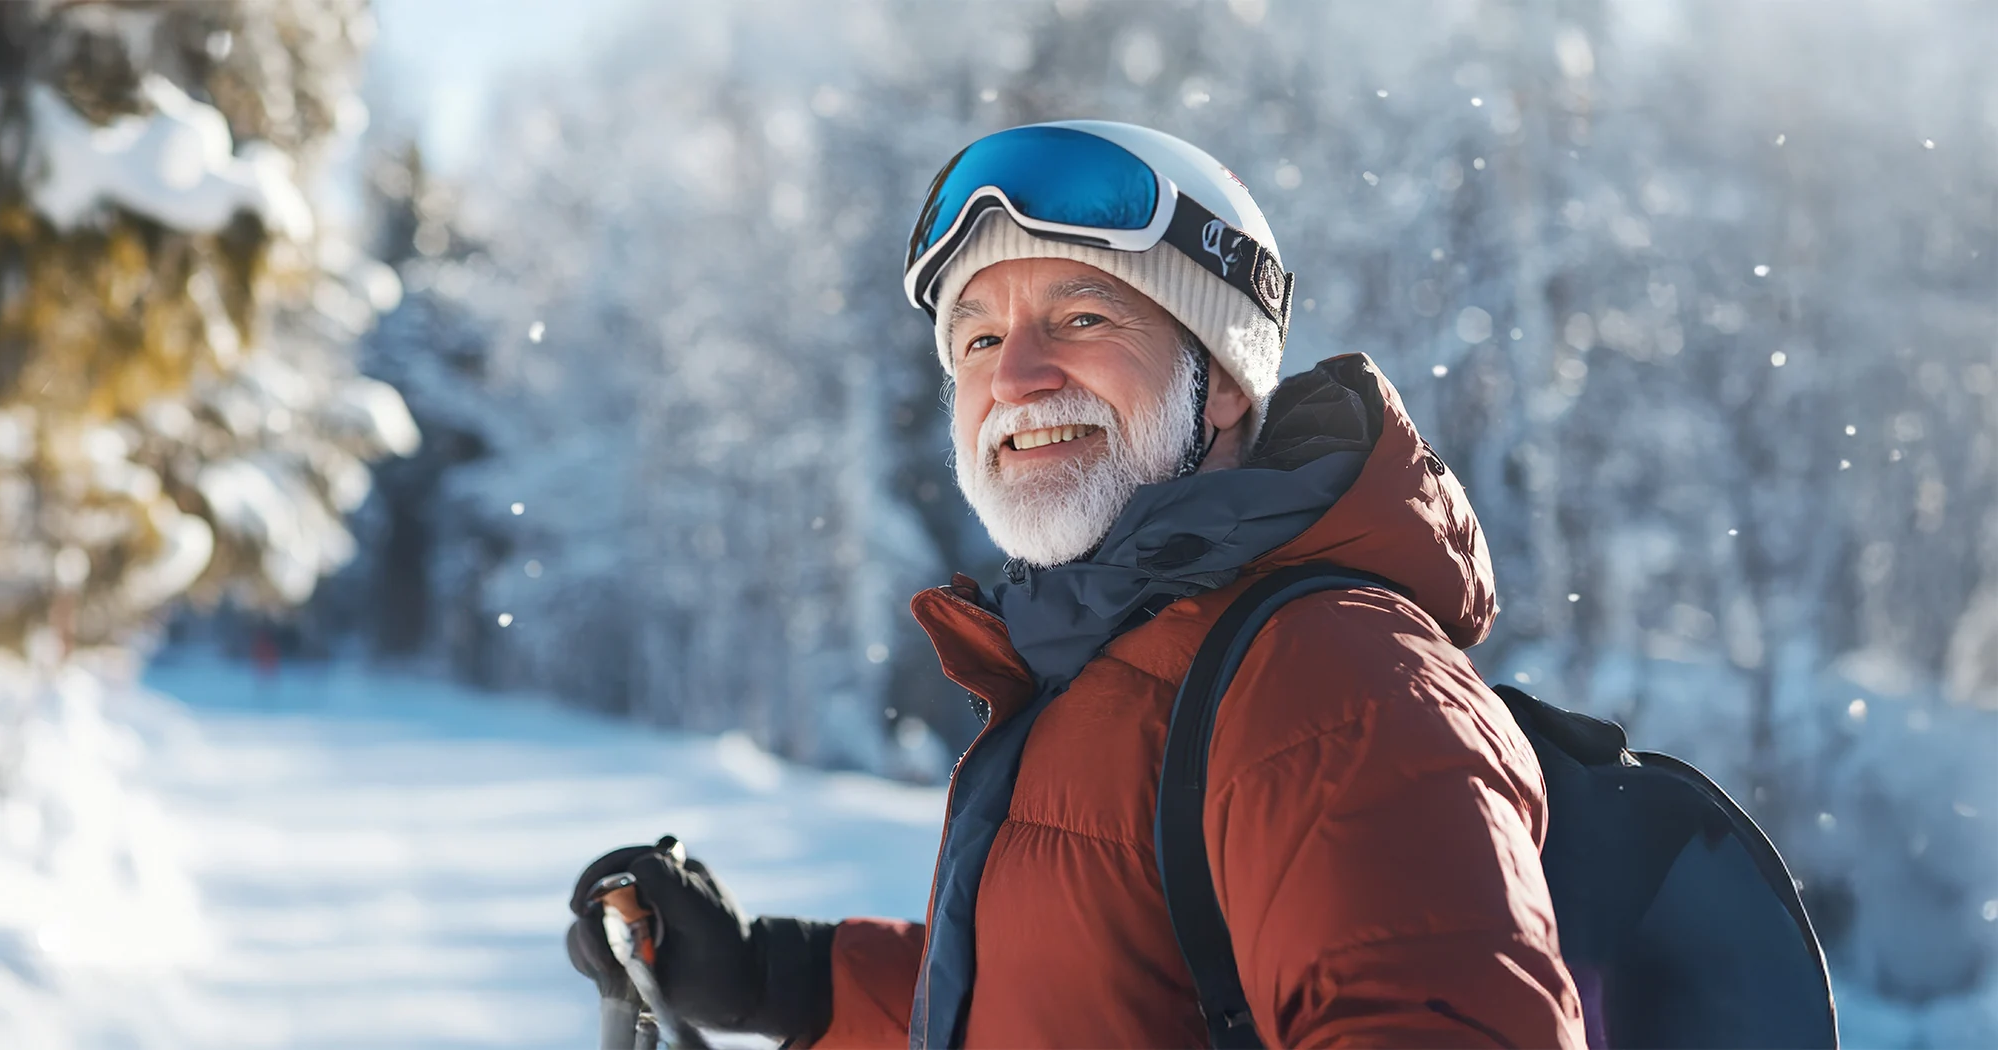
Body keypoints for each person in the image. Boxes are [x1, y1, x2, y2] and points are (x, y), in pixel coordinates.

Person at [567, 121, 1586, 1049]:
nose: (1016, 379)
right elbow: (1068, 996)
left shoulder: (1334, 676)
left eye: (1082, 316)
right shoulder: (1118, 665)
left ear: (1224, 379)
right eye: (978, 341)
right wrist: (778, 981)